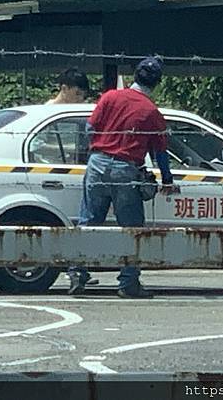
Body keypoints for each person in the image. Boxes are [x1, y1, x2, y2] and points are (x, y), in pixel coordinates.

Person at [68, 57, 177, 299]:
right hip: (126, 169)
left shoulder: (110, 97)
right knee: (131, 228)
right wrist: (167, 181)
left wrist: (98, 150)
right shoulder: (151, 112)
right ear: (157, 83)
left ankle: (77, 272)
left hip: (97, 163)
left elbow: (89, 128)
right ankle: (128, 282)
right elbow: (160, 153)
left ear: (134, 76)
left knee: (89, 221)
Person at [39, 68, 99, 289]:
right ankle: (75, 269)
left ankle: (79, 270)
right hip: (52, 175)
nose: (80, 100)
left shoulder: (78, 117)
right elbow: (39, 148)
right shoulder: (48, 114)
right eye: (77, 94)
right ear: (64, 89)